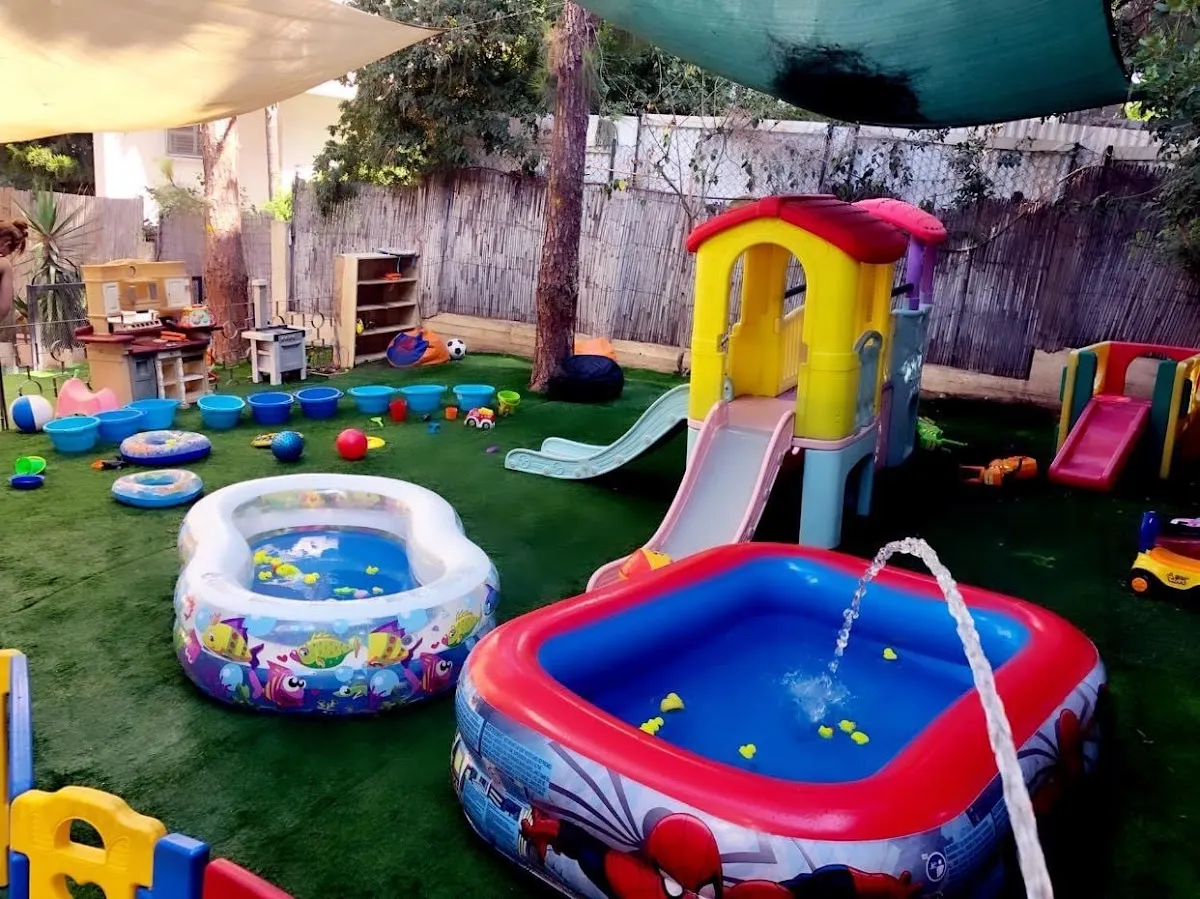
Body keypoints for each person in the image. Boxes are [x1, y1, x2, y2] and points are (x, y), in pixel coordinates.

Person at [0, 218, 29, 321]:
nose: (8, 254)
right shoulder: (4, 264)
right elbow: (4, 308)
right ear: (5, 244)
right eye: (12, 251)